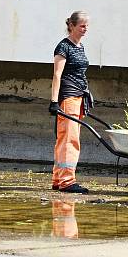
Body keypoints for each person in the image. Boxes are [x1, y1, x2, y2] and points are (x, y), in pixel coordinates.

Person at [48, 11, 93, 194]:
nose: (85, 29)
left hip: (79, 97)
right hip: (68, 97)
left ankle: (59, 179)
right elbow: (57, 75)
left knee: (66, 138)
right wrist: (54, 101)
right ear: (72, 26)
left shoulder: (80, 46)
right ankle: (67, 180)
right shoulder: (63, 47)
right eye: (82, 26)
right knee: (69, 139)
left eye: (87, 26)